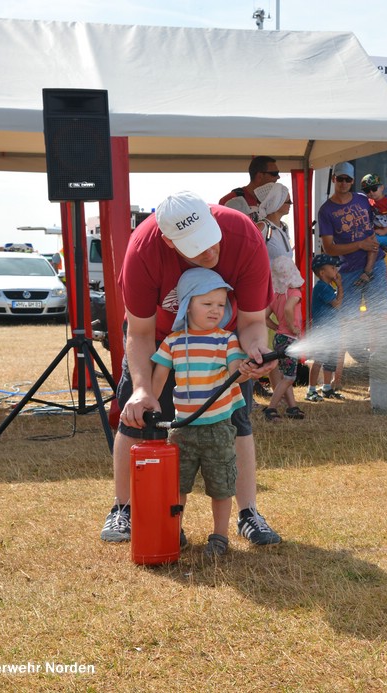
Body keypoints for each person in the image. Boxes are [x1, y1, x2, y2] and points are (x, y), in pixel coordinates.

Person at [102, 191, 282, 546]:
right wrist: (142, 389)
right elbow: (139, 332)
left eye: (211, 240)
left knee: (236, 419)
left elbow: (251, 321)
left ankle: (248, 513)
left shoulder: (244, 236)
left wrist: (257, 351)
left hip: (222, 339)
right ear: (169, 241)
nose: (210, 253)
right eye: (197, 248)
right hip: (158, 338)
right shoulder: (143, 249)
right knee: (134, 417)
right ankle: (123, 508)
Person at [150, 268, 247, 558]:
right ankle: (174, 530)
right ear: (187, 304)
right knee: (177, 485)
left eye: (221, 304)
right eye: (208, 304)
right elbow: (158, 379)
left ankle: (219, 536)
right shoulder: (173, 342)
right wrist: (150, 404)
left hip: (218, 427)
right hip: (181, 428)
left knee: (221, 485)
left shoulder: (227, 340)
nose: (216, 310)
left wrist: (244, 370)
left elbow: (235, 374)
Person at [318, 162, 387, 373]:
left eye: (347, 179)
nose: (343, 183)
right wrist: (360, 245)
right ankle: (336, 377)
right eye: (339, 178)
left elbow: (374, 232)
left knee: (379, 317)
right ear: (334, 179)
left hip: (374, 265)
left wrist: (369, 267)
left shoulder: (363, 200)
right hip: (348, 271)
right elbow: (329, 248)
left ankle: (377, 370)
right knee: (346, 320)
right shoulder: (326, 210)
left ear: (352, 180)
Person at [262, 256, 305, 421]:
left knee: (287, 375)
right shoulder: (294, 292)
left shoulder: (276, 296)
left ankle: (292, 407)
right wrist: (293, 328)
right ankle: (271, 408)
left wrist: (277, 328)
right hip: (289, 339)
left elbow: (265, 317)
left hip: (280, 338)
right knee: (289, 378)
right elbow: (289, 309)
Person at [305, 254, 344, 403]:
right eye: (333, 268)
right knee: (319, 360)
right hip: (323, 331)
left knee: (330, 360)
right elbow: (337, 304)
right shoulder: (322, 287)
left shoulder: (327, 287)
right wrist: (340, 286)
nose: (336, 270)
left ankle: (327, 388)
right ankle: (311, 390)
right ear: (322, 273)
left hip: (331, 331)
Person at [359, 173, 387, 288]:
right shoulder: (370, 203)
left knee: (373, 241)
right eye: (367, 191)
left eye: (374, 189)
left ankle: (368, 271)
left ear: (382, 187)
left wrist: (385, 231)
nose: (371, 193)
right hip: (378, 234)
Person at [219, 155, 280, 220]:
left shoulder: (272, 201)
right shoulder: (230, 200)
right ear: (260, 176)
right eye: (275, 173)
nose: (278, 177)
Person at [254, 182, 293, 266]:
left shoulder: (284, 227)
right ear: (276, 203)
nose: (291, 203)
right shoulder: (262, 227)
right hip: (268, 279)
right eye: (288, 201)